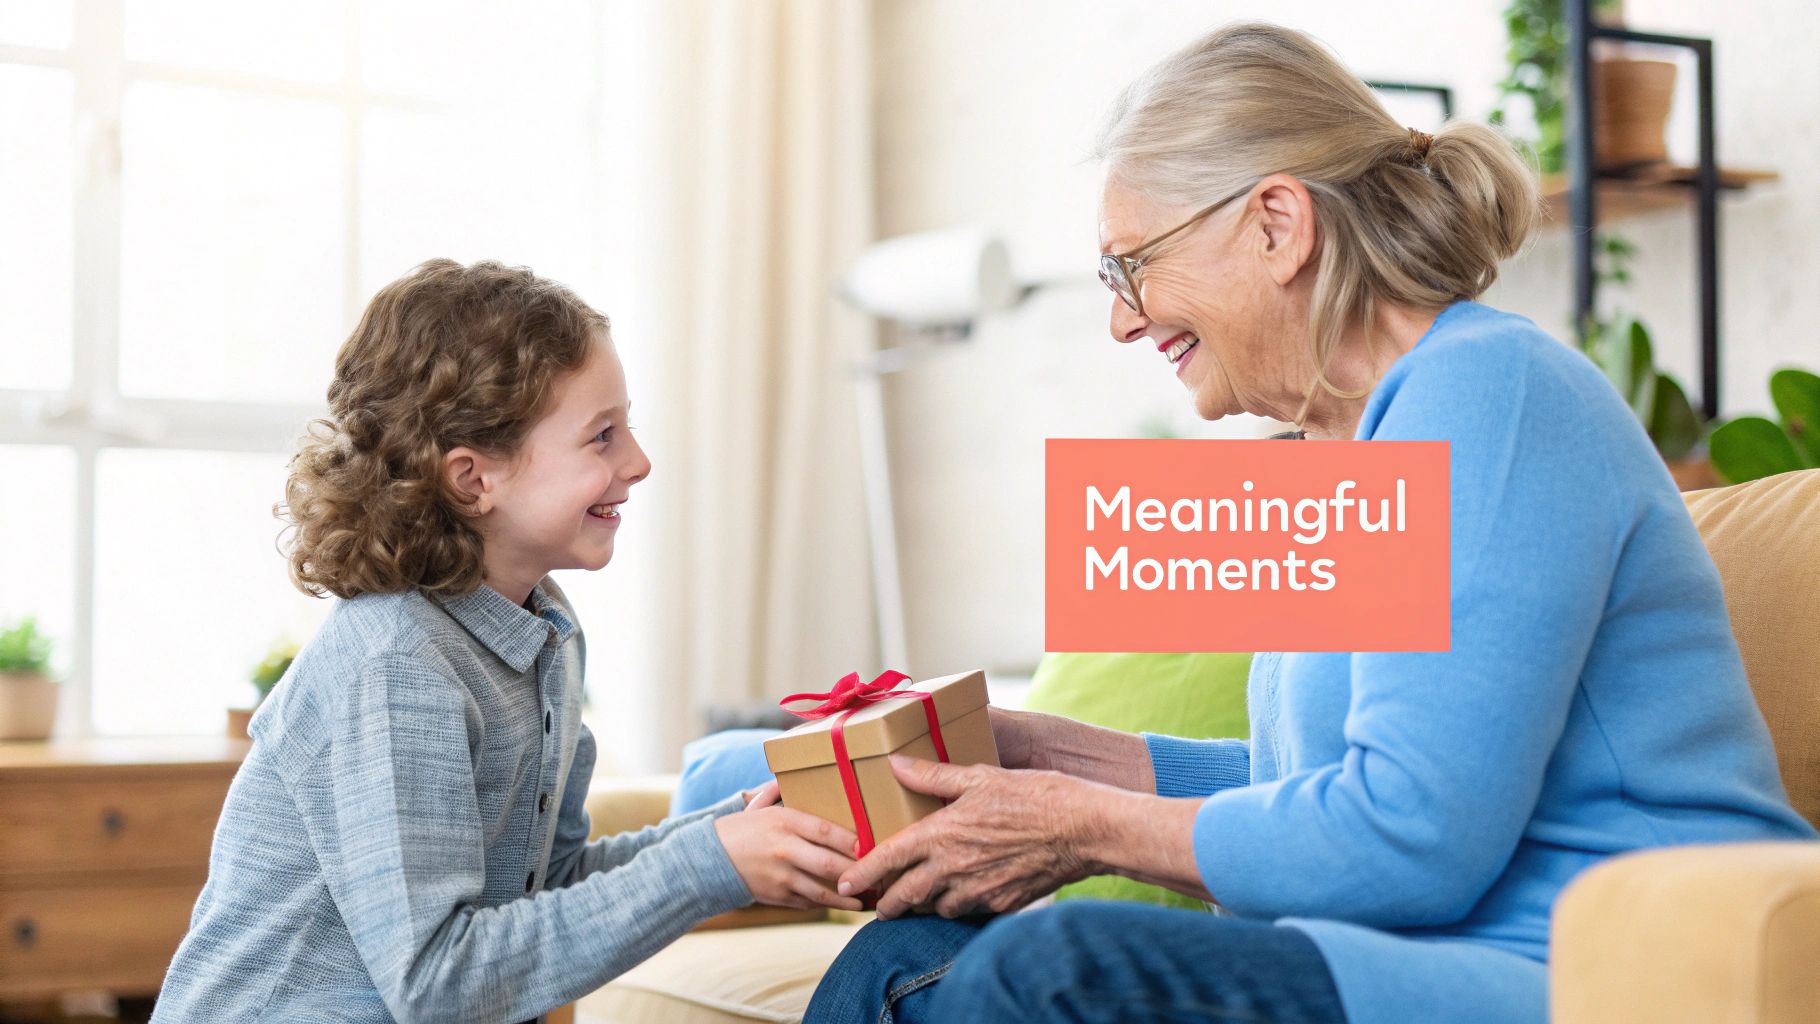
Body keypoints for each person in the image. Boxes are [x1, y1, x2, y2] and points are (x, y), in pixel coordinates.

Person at [803, 22, 1816, 1024]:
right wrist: (1060, 760)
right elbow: (1323, 783)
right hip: (1409, 958)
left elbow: (1411, 837)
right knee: (909, 957)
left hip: (1596, 963)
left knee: (1054, 963)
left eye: (1128, 266)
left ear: (1277, 226)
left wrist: (1080, 827)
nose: (1118, 317)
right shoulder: (1344, 453)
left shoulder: (1487, 392)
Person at [153, 259, 861, 1024]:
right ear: (473, 479)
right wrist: (710, 865)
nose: (639, 462)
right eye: (602, 436)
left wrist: (727, 837)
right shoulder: (399, 661)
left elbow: (545, 885)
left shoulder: (541, 632)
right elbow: (438, 982)